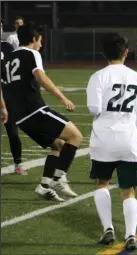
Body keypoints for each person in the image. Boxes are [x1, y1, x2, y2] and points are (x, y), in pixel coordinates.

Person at [86, 33, 137, 250]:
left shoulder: (98, 76)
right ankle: (131, 235)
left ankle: (108, 229)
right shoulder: (136, 77)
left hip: (103, 140)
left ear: (104, 53)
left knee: (102, 183)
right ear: (126, 52)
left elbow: (93, 108)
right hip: (129, 141)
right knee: (128, 189)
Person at [2, 22, 83, 202]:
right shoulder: (32, 53)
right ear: (33, 39)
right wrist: (62, 98)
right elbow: (41, 77)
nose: (41, 44)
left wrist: (4, 107)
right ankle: (58, 179)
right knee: (76, 136)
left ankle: (44, 186)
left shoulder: (8, 59)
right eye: (40, 40)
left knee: (58, 145)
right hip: (34, 110)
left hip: (20, 117)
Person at [1, 18, 26, 175]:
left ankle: (18, 164)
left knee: (13, 131)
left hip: (7, 94)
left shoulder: (6, 46)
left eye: (1, 25)